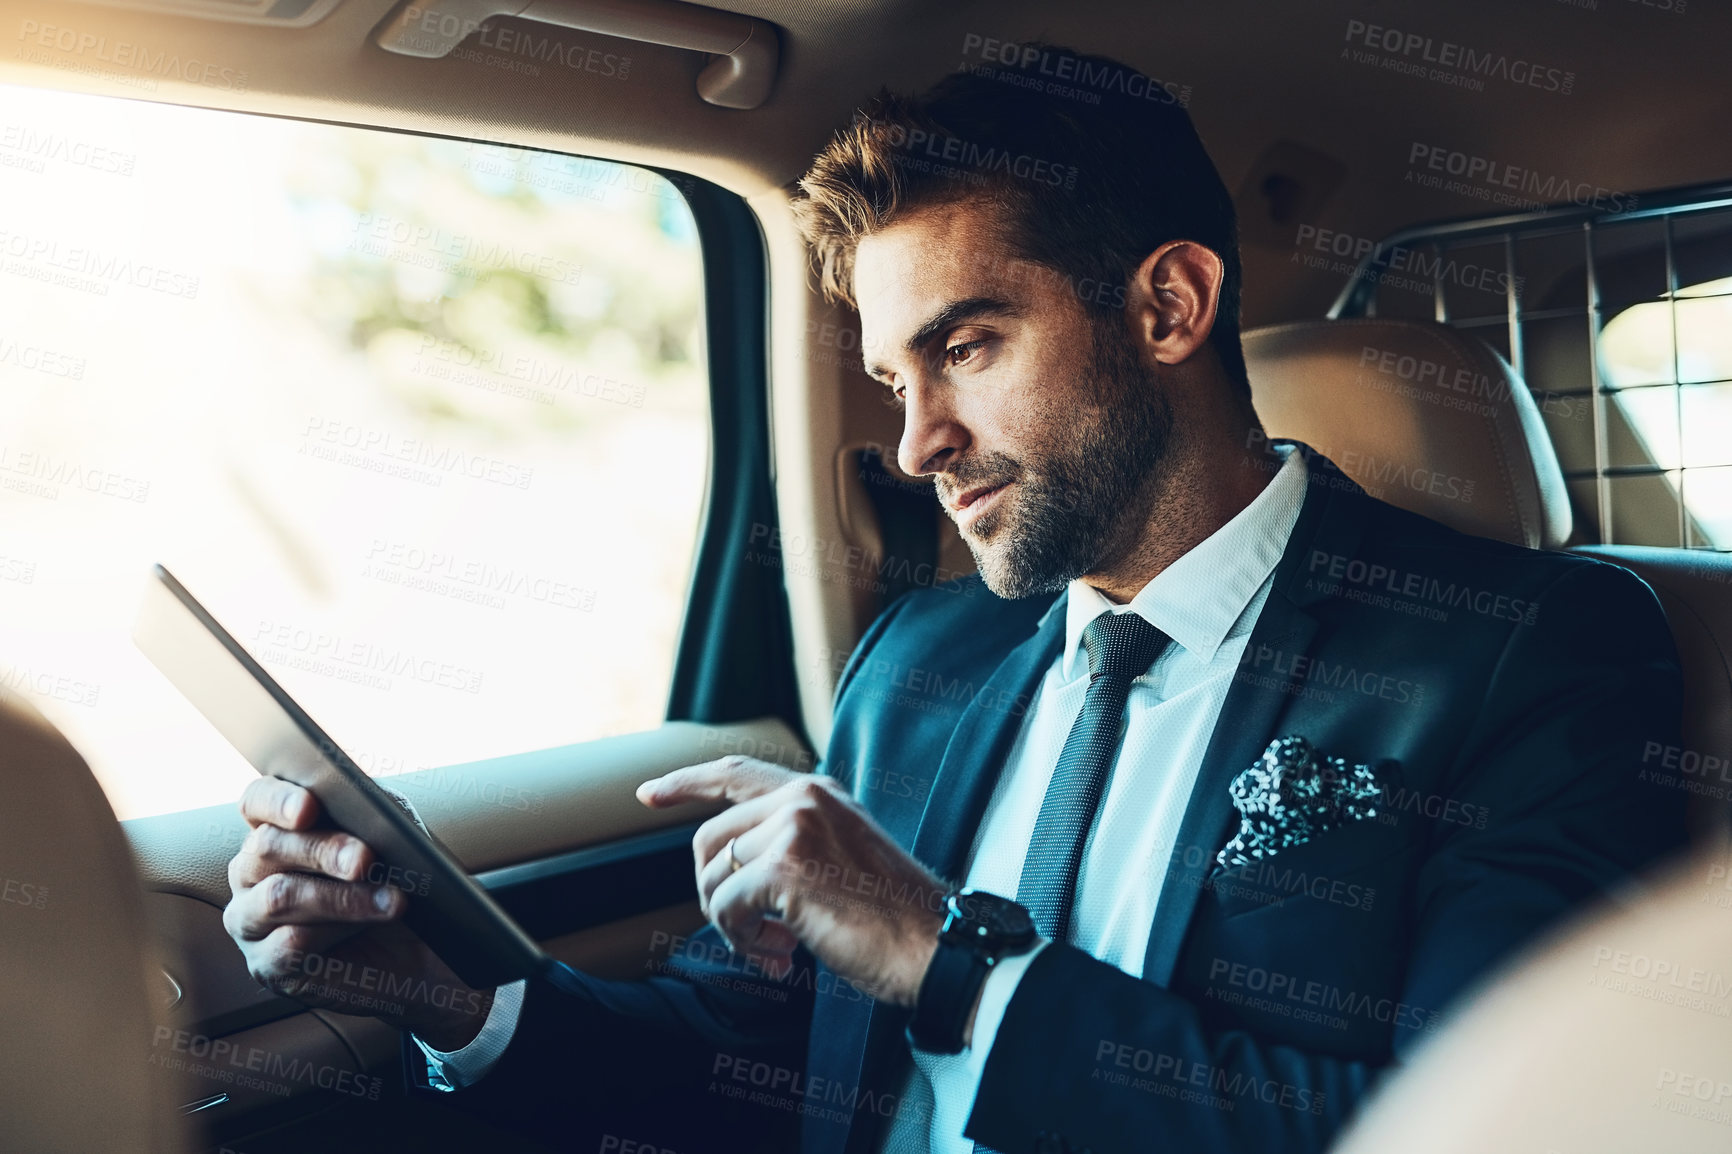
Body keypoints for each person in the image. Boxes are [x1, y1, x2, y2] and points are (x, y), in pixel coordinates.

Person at [221, 45, 1690, 1154]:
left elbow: (1484, 1121)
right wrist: (446, 997)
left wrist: (951, 959)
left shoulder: (1532, 657)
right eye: (892, 380)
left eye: (970, 347)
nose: (919, 442)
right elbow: (756, 1057)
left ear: (1169, 307)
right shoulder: (918, 658)